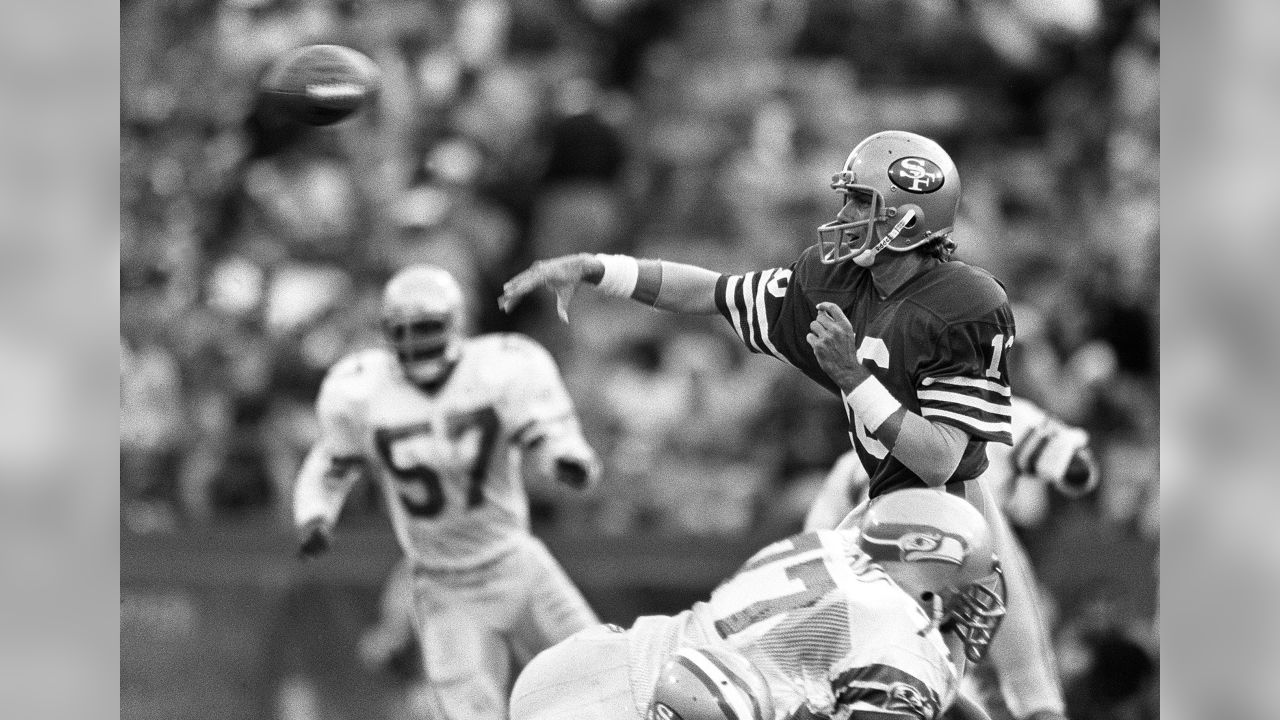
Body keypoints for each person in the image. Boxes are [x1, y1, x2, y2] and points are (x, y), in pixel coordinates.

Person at [498, 130, 1066, 720]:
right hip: (871, 545)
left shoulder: (964, 305)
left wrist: (854, 379)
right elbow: (712, 292)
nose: (844, 215)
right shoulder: (838, 281)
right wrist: (601, 269)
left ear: (911, 213)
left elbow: (942, 459)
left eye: (860, 202)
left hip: (928, 527)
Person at [293, 264, 603, 720]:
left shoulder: (498, 367)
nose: (414, 342)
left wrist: (564, 457)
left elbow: (547, 430)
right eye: (402, 330)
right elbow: (330, 463)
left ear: (455, 323)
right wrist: (315, 515)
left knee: (601, 672)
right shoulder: (361, 390)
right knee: (470, 712)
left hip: (513, 561)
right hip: (440, 582)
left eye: (426, 328)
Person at [509, 489, 1006, 720]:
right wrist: (950, 667)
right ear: (924, 567)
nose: (959, 607)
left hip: (587, 664)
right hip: (651, 709)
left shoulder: (830, 544)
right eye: (959, 591)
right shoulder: (899, 636)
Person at [805, 397, 1098, 720]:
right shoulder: (854, 467)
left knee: (1024, 688)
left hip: (980, 568)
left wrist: (1069, 462)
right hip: (900, 586)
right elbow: (818, 554)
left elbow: (1070, 463)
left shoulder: (983, 414)